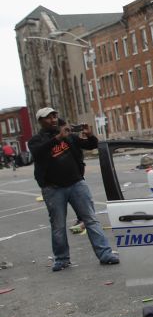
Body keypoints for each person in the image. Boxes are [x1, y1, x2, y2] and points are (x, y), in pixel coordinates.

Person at [28, 108, 119, 272]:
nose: (53, 119)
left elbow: (91, 145)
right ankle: (62, 259)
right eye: (48, 118)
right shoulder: (36, 140)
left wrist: (89, 134)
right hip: (53, 189)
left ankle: (105, 254)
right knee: (58, 225)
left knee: (90, 219)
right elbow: (39, 153)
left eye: (54, 116)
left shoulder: (68, 135)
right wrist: (58, 138)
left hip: (76, 184)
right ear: (40, 121)